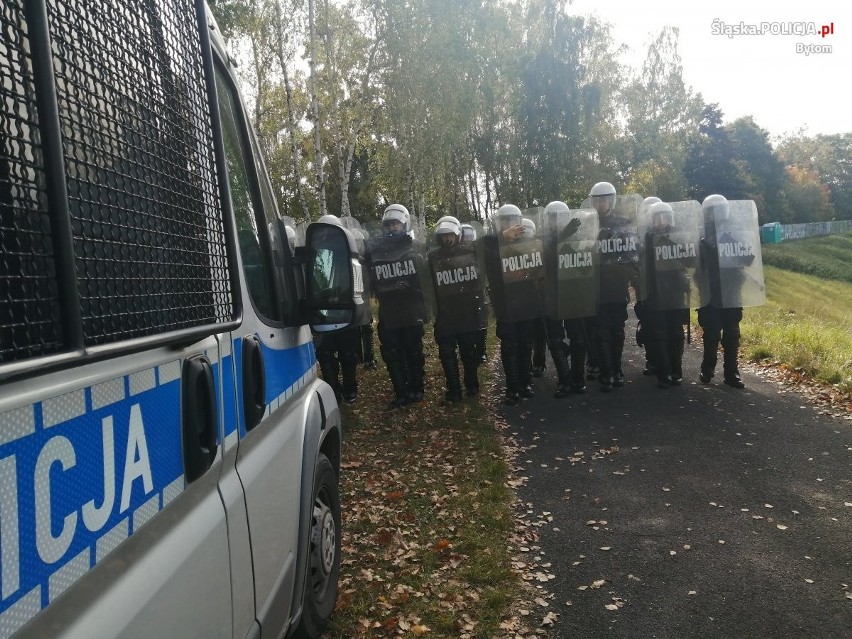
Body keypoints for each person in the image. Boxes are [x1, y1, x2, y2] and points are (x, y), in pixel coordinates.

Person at [368, 204, 431, 406]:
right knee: (392, 353)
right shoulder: (376, 250)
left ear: (404, 224)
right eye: (389, 224)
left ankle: (417, 388)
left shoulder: (415, 247)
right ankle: (401, 392)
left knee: (413, 350)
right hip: (388, 309)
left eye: (396, 223)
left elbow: (424, 279)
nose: (393, 227)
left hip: (411, 308)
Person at [482, 204, 543, 405]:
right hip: (506, 304)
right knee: (510, 346)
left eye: (513, 220)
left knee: (526, 344)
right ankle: (512, 387)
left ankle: (525, 383)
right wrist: (502, 240)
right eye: (505, 220)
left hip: (527, 303)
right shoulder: (490, 242)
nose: (510, 224)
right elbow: (486, 260)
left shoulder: (529, 241)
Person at [427, 218, 484, 403]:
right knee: (446, 353)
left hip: (467, 311)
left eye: (450, 234)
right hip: (445, 313)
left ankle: (472, 385)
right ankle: (454, 391)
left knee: (468, 351)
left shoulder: (471, 252)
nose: (447, 239)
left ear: (458, 235)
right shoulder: (433, 257)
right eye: (443, 236)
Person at [590, 181, 639, 392]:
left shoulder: (623, 222)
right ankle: (606, 372)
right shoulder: (587, 224)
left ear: (612, 200)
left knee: (617, 330)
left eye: (606, 199)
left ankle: (616, 370)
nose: (602, 203)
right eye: (599, 199)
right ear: (594, 202)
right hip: (596, 287)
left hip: (617, 286)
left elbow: (632, 253)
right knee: (601, 331)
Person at [697, 194, 749, 388]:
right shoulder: (701, 236)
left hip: (731, 289)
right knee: (711, 333)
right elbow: (695, 264)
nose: (716, 215)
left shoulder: (734, 232)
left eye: (719, 210)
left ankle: (731, 372)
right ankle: (707, 369)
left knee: (732, 334)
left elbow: (747, 257)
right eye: (712, 211)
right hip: (710, 292)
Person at [541, 200, 592, 398]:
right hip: (552, 294)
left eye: (559, 217)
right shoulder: (542, 239)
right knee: (555, 339)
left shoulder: (577, 236)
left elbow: (586, 265)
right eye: (552, 218)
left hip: (573, 293)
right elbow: (544, 258)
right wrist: (561, 237)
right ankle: (565, 379)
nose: (556, 221)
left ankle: (578, 378)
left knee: (578, 338)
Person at [642, 202, 693, 389]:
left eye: (664, 217)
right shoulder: (646, 238)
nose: (661, 221)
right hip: (655, 290)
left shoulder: (679, 236)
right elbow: (641, 263)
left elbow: (690, 260)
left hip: (676, 290)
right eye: (657, 217)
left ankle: (676, 370)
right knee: (659, 332)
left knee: (676, 332)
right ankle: (664, 373)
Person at [312, 214, 360, 404]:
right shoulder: (317, 254)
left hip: (345, 312)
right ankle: (333, 390)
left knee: (348, 355)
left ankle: (350, 389)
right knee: (325, 354)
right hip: (323, 314)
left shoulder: (348, 254)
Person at [635, 196, 662, 376]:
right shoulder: (639, 234)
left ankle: (667, 364)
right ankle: (652, 361)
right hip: (645, 286)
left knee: (666, 327)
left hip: (666, 286)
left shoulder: (669, 232)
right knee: (648, 325)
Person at [461, 223, 489, 364]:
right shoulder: (457, 253)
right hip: (463, 294)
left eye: (470, 236)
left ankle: (482, 350)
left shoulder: (479, 252)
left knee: (481, 322)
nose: (467, 239)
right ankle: (471, 350)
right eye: (465, 236)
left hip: (479, 290)